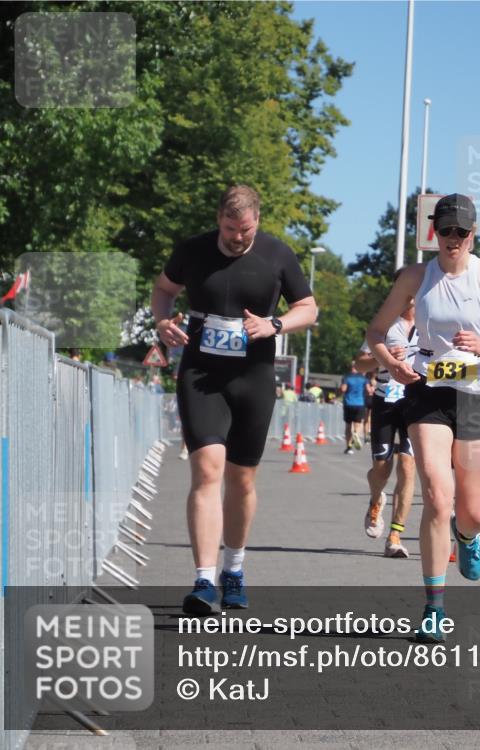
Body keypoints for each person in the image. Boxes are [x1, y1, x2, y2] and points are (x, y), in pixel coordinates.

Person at [366, 193, 480, 643]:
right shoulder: (415, 277)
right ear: (433, 233)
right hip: (428, 393)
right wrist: (394, 363)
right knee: (438, 498)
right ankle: (434, 608)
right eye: (445, 231)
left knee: (473, 513)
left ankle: (470, 536)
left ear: (473, 234)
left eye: (461, 232)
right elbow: (376, 332)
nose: (453, 239)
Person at [151, 185, 317, 614]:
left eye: (244, 230)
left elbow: (309, 308)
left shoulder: (277, 255)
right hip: (201, 374)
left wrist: (276, 324)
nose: (236, 238)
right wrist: (162, 320)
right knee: (206, 470)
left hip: (253, 377)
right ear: (217, 219)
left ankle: (234, 569)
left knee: (241, 481)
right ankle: (204, 580)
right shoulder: (192, 250)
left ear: (256, 221)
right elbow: (164, 289)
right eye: (229, 229)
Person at [355, 281, 418, 558]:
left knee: (407, 466)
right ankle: (376, 498)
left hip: (416, 401)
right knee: (382, 468)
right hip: (385, 400)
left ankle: (395, 535)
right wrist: (385, 359)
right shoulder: (384, 325)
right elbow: (360, 364)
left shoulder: (430, 325)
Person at [340, 362, 368, 454]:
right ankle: (356, 433)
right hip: (360, 403)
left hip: (348, 403)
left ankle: (349, 447)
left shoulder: (347, 377)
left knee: (348, 426)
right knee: (358, 423)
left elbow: (343, 389)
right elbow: (369, 390)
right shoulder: (363, 378)